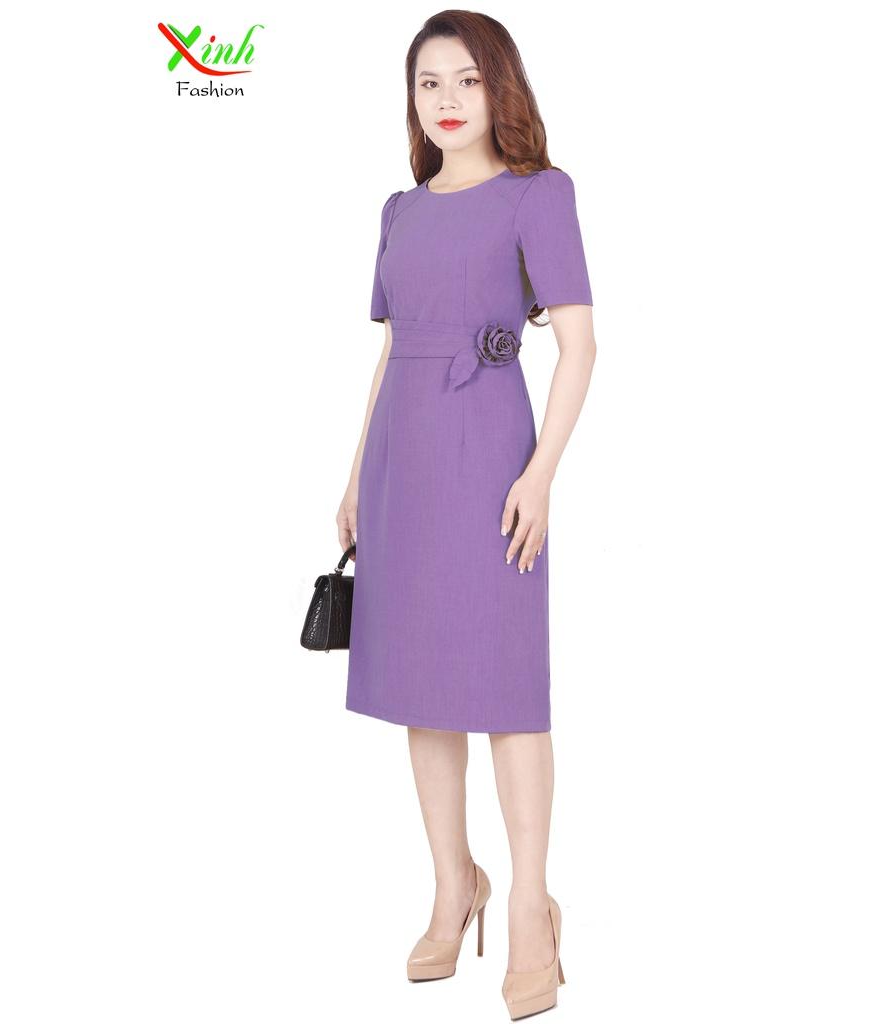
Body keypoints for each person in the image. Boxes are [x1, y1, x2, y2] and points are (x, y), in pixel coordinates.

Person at [336, 12, 596, 1019]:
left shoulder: (540, 193)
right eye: (427, 83)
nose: (446, 100)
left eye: (467, 81)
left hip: (491, 456)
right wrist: (354, 477)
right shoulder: (399, 210)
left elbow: (579, 345)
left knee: (505, 682)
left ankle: (530, 906)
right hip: (401, 461)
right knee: (421, 682)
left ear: (500, 88)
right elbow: (390, 347)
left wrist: (541, 474)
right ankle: (455, 886)